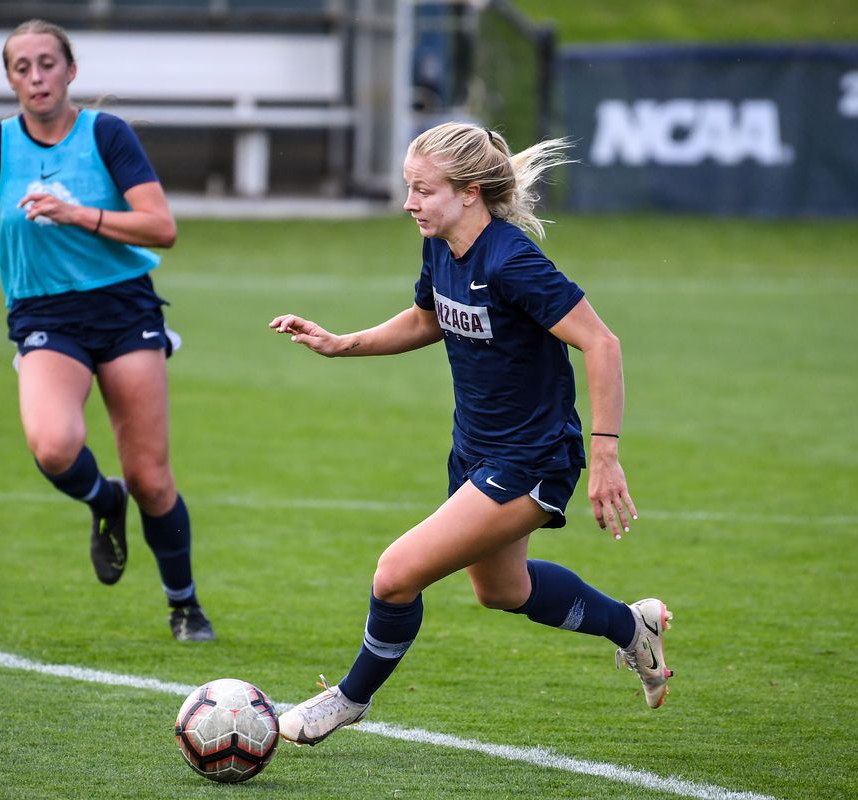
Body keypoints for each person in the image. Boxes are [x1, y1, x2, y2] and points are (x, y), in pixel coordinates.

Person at [269, 121, 671, 746]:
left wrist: (606, 454)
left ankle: (348, 700)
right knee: (504, 591)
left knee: (395, 574)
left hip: (533, 457)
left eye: (422, 190)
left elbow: (601, 342)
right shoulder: (440, 246)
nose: (409, 203)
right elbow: (427, 319)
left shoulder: (513, 261)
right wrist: (340, 343)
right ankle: (630, 626)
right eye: (408, 188)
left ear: (469, 192)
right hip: (475, 448)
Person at [0, 19, 214, 642]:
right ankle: (104, 502)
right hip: (44, 316)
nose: (36, 77)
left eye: (47, 64)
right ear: (9, 80)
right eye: (22, 67)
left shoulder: (106, 135)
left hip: (125, 311)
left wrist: (78, 214)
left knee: (152, 478)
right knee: (53, 446)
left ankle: (184, 605)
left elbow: (161, 228)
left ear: (71, 71)